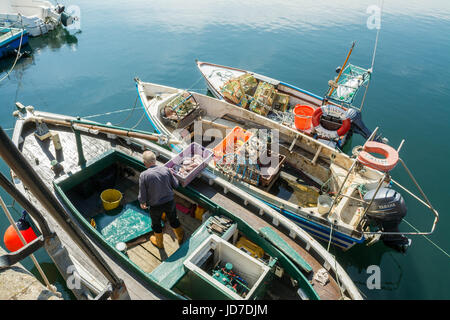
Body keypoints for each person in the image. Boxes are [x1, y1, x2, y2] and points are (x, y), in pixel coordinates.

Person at [138, 150, 183, 249]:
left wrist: (142, 202)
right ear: (155, 160)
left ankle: (160, 243)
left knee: (156, 224)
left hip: (155, 206)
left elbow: (142, 193)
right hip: (169, 202)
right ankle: (180, 237)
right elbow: (176, 185)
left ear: (145, 163)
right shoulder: (166, 170)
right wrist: (171, 174)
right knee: (173, 219)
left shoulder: (143, 175)